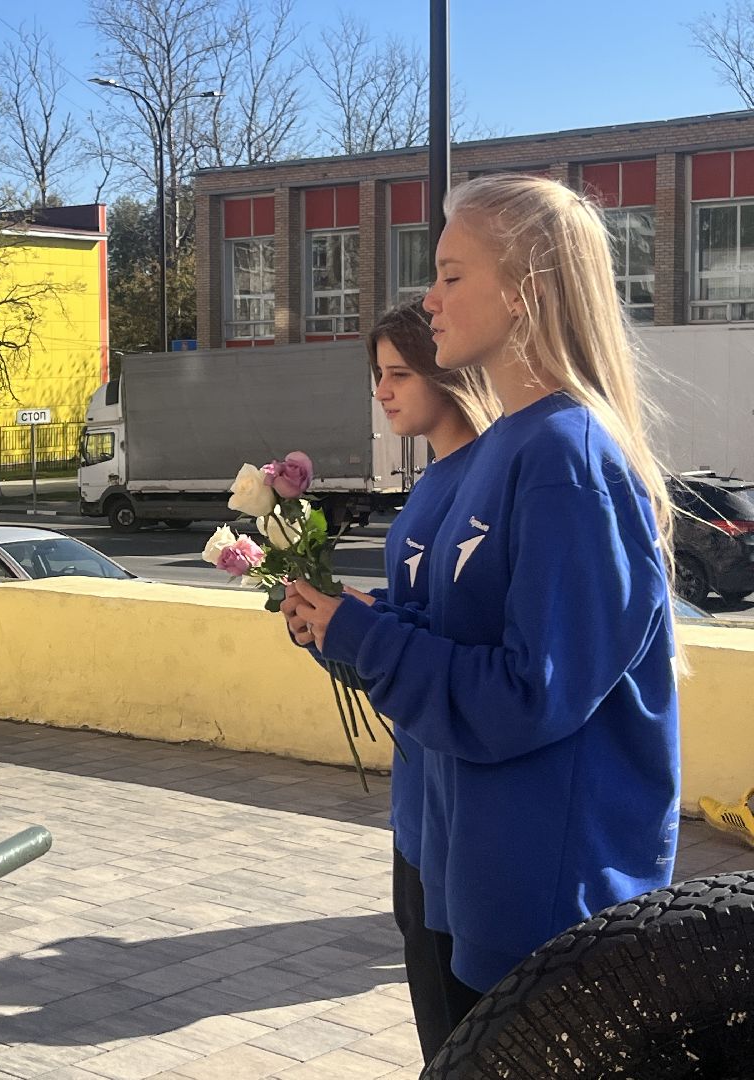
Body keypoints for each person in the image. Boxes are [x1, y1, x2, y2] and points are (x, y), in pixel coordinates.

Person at [286, 174, 680, 1043]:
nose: (428, 300)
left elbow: (529, 694)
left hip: (546, 913)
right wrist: (347, 630)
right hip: (472, 880)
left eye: (451, 275)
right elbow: (459, 638)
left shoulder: (569, 458)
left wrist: (368, 639)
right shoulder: (509, 448)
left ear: (524, 292)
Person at [283, 300, 498, 1061]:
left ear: (451, 368)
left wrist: (364, 630)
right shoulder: (430, 487)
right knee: (438, 1032)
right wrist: (334, 630)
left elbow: (486, 657)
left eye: (400, 372)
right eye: (378, 374)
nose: (382, 390)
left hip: (471, 810)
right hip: (419, 807)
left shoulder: (501, 478)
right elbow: (416, 628)